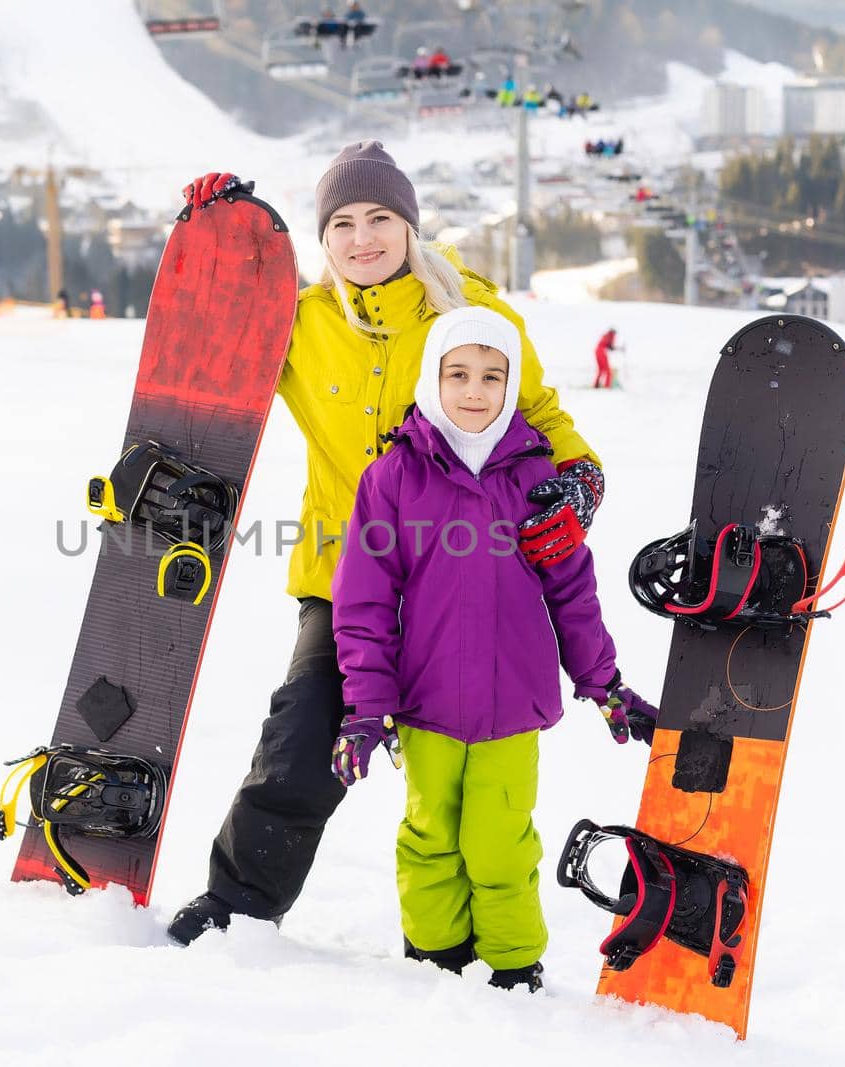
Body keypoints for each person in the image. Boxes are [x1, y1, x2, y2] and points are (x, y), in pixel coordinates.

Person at [168, 142, 604, 945]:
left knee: (467, 780)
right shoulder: (302, 324)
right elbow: (215, 323)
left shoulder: (469, 315)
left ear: (408, 226)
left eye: (379, 219)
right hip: (346, 580)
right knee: (300, 740)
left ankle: (468, 945)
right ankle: (239, 904)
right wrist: (213, 226)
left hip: (461, 583)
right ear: (324, 238)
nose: (362, 238)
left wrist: (578, 482)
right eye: (341, 223)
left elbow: (541, 415)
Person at [330, 306, 656, 990]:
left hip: (512, 706)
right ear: (432, 378)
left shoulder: (537, 480)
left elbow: (573, 590)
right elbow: (363, 603)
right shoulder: (392, 478)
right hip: (424, 706)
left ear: (511, 386)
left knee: (500, 839)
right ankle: (435, 950)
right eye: (458, 374)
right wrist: (366, 708)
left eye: (491, 376)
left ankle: (513, 960)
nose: (474, 391)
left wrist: (604, 681)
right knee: (429, 836)